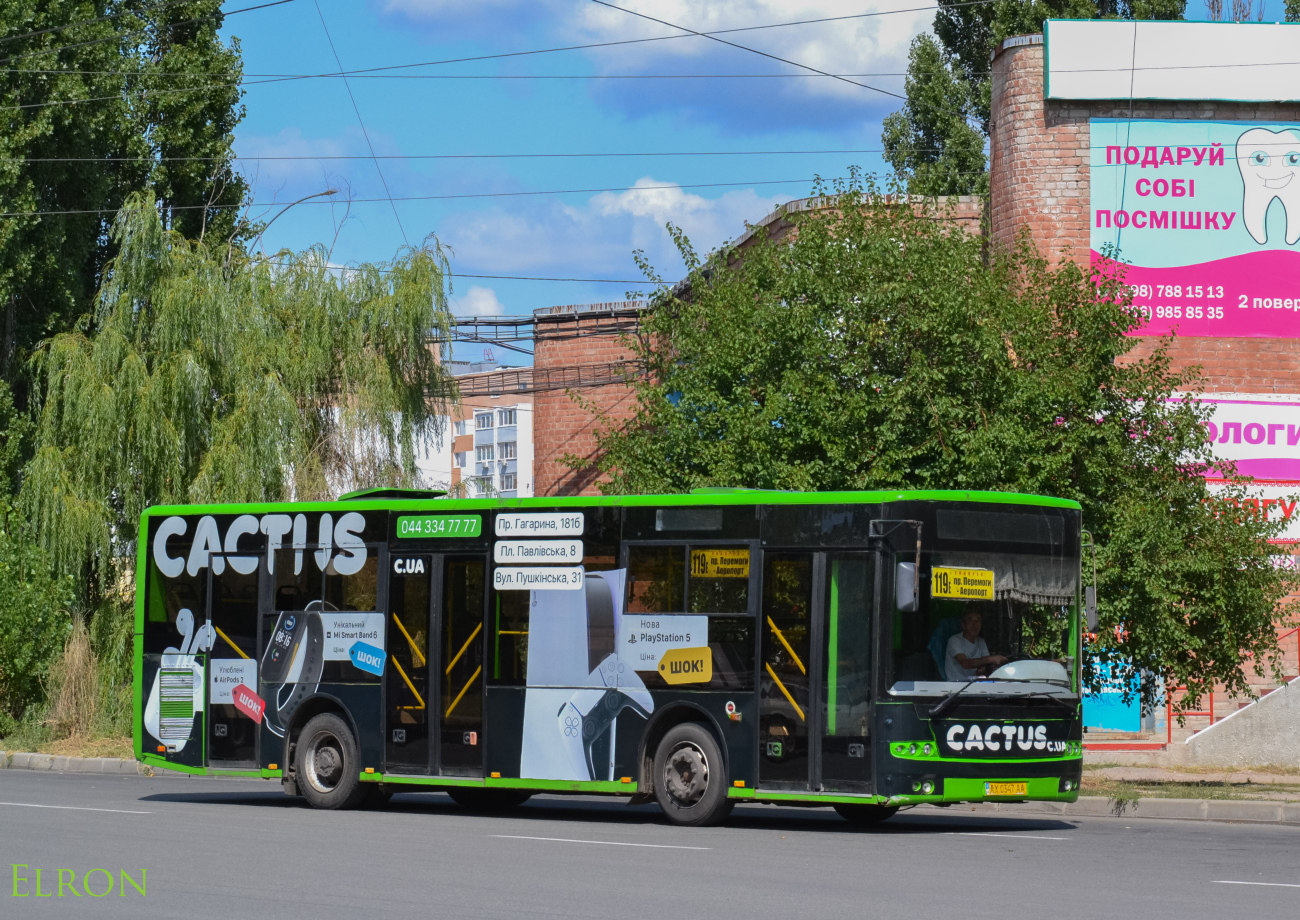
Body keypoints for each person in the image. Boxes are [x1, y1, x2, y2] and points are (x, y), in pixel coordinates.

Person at [944, 610, 1007, 681]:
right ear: (963, 625)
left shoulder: (981, 642)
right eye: (970, 619)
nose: (974, 623)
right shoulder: (954, 640)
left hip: (976, 685)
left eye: (978, 619)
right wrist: (991, 659)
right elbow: (965, 663)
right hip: (955, 687)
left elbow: (985, 664)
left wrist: (983, 668)